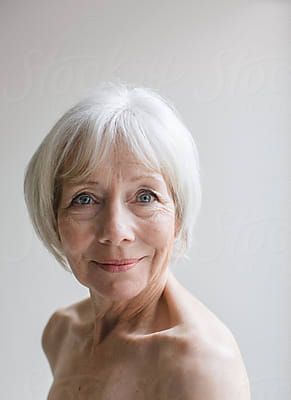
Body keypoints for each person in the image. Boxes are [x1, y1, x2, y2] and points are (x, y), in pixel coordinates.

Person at [23, 81, 251, 399]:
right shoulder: (61, 333)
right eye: (85, 199)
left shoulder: (200, 364)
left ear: (178, 214)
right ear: (52, 218)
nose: (116, 231)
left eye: (145, 196)